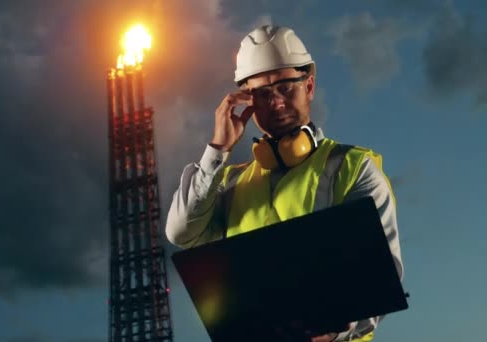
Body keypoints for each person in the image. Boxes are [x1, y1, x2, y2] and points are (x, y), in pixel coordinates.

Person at [165, 25, 404, 342]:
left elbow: (379, 283)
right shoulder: (227, 183)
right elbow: (180, 233)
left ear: (309, 85)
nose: (275, 102)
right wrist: (216, 151)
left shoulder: (354, 168)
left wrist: (336, 334)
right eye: (262, 94)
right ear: (245, 101)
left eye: (286, 88)